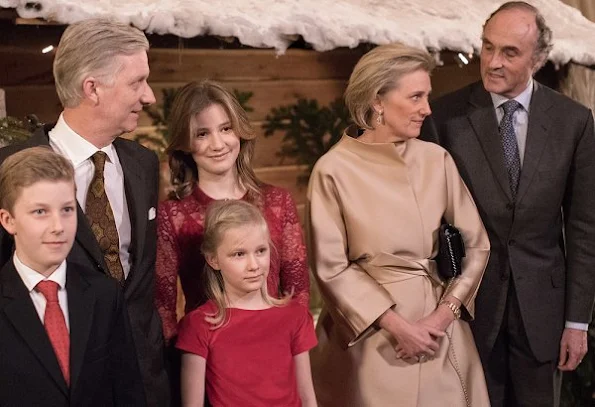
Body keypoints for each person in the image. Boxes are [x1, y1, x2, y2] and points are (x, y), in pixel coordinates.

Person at [420, 2, 595, 406]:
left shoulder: (574, 121)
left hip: (544, 315)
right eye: (487, 47)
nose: (493, 62)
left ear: (538, 59)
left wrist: (577, 322)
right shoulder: (444, 118)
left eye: (510, 53)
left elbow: (585, 227)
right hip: (470, 309)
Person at [307, 43, 491, 406]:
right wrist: (397, 327)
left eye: (427, 96)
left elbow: (477, 246)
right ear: (378, 100)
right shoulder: (332, 170)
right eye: (416, 96)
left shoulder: (437, 159)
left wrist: (442, 317)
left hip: (442, 334)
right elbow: (330, 267)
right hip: (371, 340)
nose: (428, 108)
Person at [0, 19, 169, 406]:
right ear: (92, 88)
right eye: (136, 82)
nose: (150, 96)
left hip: (144, 382)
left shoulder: (143, 164)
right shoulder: (8, 171)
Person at [156, 80, 310, 343]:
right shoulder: (172, 215)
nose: (218, 144)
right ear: (185, 144)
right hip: (209, 358)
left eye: (226, 128)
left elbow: (298, 293)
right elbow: (162, 309)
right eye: (202, 134)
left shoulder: (277, 201)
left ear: (239, 131)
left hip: (275, 348)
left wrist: (291, 351)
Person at [0, 147, 146, 406]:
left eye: (67, 210)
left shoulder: (104, 295)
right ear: (8, 220)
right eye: (40, 212)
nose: (58, 226)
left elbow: (127, 391)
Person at [176, 200, 317, 406]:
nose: (254, 265)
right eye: (239, 254)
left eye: (260, 251)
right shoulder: (200, 324)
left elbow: (308, 398)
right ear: (213, 259)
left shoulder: (294, 317)